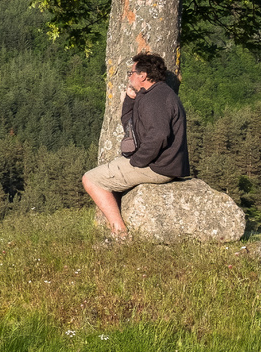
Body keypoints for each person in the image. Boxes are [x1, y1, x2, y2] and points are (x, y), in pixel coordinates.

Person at [81, 52, 190, 240]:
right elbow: (129, 125)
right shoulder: (152, 93)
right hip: (164, 163)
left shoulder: (155, 99)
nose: (129, 76)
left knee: (91, 180)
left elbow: (159, 134)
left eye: (131, 73)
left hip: (158, 166)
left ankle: (120, 233)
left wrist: (138, 160)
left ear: (143, 75)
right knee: (103, 177)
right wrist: (130, 99)